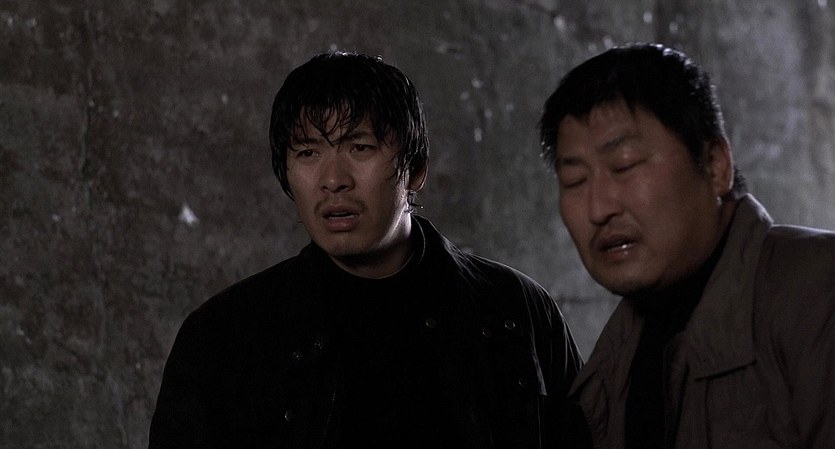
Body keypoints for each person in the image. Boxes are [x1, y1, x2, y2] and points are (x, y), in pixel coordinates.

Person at [149, 51, 583, 448]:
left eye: (360, 147)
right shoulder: (225, 336)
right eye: (307, 152)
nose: (333, 180)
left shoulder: (515, 311)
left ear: (415, 169)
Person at [538, 42, 835, 448]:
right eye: (574, 181)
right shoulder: (612, 365)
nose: (598, 208)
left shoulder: (818, 293)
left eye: (625, 165)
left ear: (715, 165)